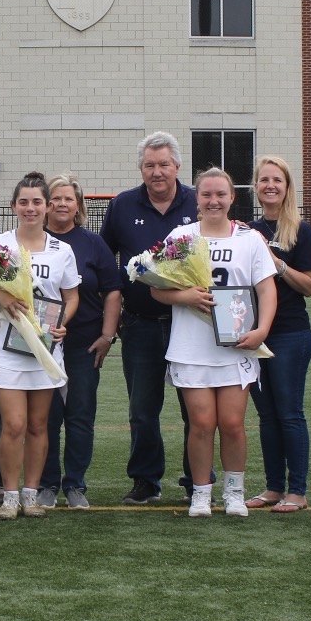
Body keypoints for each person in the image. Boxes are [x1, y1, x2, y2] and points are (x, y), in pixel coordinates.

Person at [149, 168, 277, 517]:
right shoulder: (181, 236)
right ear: (197, 198)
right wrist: (184, 295)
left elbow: (266, 288)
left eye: (221, 194)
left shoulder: (249, 239)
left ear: (232, 197)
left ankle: (234, 492)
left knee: (233, 424)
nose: (214, 200)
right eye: (207, 194)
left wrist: (263, 329)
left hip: (236, 344)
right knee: (202, 424)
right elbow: (156, 288)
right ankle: (201, 492)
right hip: (192, 346)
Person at [99, 131, 200, 504]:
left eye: (163, 165)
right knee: (142, 408)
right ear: (141, 169)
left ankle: (197, 479)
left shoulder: (198, 201)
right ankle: (145, 479)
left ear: (177, 166)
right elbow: (104, 259)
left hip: (191, 323)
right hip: (139, 323)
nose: (157, 172)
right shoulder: (122, 205)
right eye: (149, 165)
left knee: (196, 407)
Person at [0, 173, 82, 519]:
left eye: (37, 202)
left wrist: (61, 322)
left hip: (45, 348)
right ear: (13, 206)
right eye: (24, 202)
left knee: (39, 425)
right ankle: (9, 495)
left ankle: (31, 494)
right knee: (14, 425)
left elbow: (71, 296)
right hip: (5, 349)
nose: (30, 208)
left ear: (48, 206)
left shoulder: (62, 250)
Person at [40, 173, 123, 510]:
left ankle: (74, 484)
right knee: (45, 418)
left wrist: (107, 334)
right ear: (46, 205)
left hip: (83, 343)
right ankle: (45, 484)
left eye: (68, 199)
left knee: (80, 415)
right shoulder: (31, 240)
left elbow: (113, 290)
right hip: (40, 345)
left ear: (79, 207)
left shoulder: (92, 243)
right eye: (55, 198)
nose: (61, 204)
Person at [243, 155, 311, 512]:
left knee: (289, 412)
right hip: (256, 335)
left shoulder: (299, 230)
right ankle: (274, 487)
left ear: (287, 187)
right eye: (264, 180)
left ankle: (298, 490)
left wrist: (278, 264)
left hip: (290, 334)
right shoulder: (246, 230)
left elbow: (309, 285)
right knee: (267, 415)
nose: (270, 185)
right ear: (255, 187)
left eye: (277, 180)